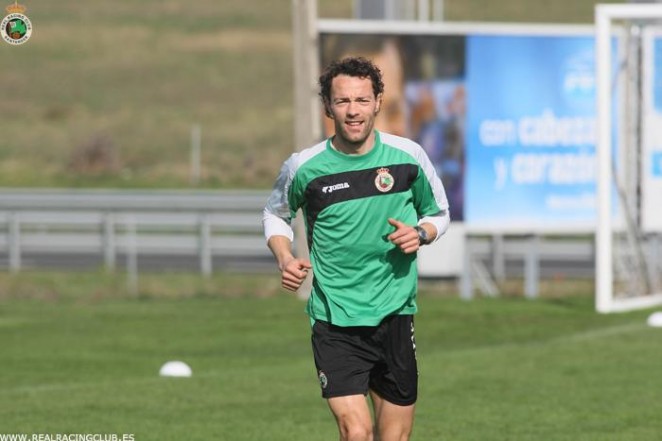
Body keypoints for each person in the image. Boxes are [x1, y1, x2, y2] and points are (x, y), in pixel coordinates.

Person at [262, 57, 450, 441]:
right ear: (327, 107)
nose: (353, 111)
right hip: (335, 321)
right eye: (343, 101)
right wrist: (284, 257)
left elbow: (439, 213)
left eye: (362, 100)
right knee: (357, 431)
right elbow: (275, 214)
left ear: (378, 102)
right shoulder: (304, 167)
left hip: (395, 315)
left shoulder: (408, 157)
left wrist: (421, 233)